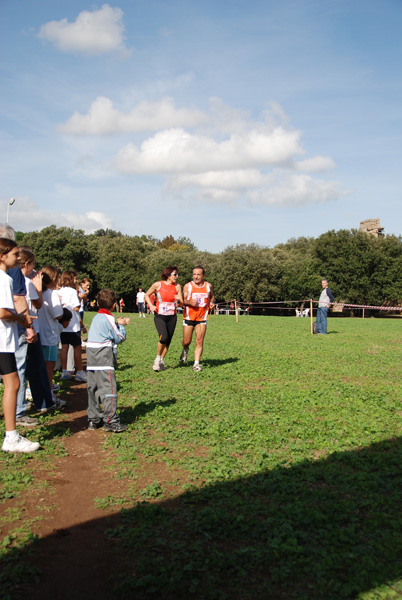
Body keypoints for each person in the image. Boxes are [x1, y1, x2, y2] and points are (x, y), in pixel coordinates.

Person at [0, 238, 39, 452]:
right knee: (13, 385)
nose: (18, 258)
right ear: (2, 256)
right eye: (15, 254)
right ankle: (11, 437)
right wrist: (22, 318)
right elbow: (2, 311)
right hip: (2, 341)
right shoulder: (4, 279)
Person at [19, 248, 57, 414]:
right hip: (31, 329)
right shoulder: (27, 283)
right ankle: (42, 402)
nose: (34, 268)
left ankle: (24, 404)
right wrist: (38, 287)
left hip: (19, 330)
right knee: (36, 368)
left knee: (22, 369)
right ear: (27, 264)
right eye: (33, 264)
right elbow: (38, 303)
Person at [86, 289, 130, 432]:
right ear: (114, 305)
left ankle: (94, 419)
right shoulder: (108, 318)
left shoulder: (96, 317)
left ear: (98, 303)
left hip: (91, 355)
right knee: (108, 387)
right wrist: (122, 325)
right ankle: (111, 420)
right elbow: (119, 338)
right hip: (103, 355)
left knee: (93, 387)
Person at [145, 266, 183, 372]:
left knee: (168, 341)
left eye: (177, 274)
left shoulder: (177, 286)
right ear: (168, 274)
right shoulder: (158, 285)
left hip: (172, 316)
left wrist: (179, 300)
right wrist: (151, 306)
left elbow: (182, 303)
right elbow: (147, 295)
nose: (177, 276)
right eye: (175, 274)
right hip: (160, 316)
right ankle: (157, 359)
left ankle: (162, 360)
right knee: (163, 337)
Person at [180, 266, 215, 372]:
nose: (196, 277)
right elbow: (181, 301)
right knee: (187, 341)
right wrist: (190, 302)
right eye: (194, 274)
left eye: (198, 274)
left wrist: (211, 303)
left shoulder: (208, 286)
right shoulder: (188, 286)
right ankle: (185, 350)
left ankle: (196, 364)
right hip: (189, 316)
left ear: (203, 275)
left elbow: (212, 297)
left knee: (199, 340)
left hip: (202, 317)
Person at [58, 271, 87, 382]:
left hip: (62, 324)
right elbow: (76, 308)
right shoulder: (72, 291)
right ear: (70, 279)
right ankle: (79, 371)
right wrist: (79, 300)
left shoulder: (59, 291)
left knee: (64, 347)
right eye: (75, 279)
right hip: (73, 325)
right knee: (77, 347)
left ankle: (64, 371)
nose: (76, 281)